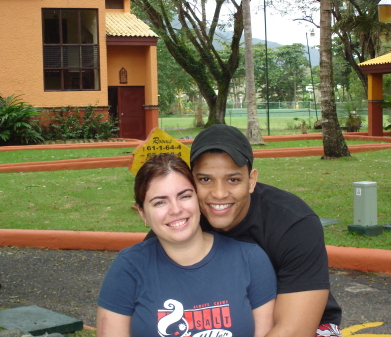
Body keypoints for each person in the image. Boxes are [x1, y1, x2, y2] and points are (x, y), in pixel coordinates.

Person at [97, 153, 277, 337]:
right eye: (160, 202)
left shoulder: (250, 260)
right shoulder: (128, 267)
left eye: (184, 196)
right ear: (142, 213)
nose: (176, 210)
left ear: (198, 199)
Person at [188, 124, 342, 337]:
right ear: (191, 182)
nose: (219, 193)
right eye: (205, 179)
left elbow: (294, 330)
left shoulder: (293, 223)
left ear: (251, 180)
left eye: (233, 180)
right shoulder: (181, 221)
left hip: (302, 325)